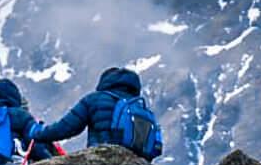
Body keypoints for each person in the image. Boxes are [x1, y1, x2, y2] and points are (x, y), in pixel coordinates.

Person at [29, 66, 163, 159]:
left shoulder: (95, 99)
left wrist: (37, 133)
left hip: (102, 159)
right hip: (137, 163)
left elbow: (66, 128)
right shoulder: (141, 108)